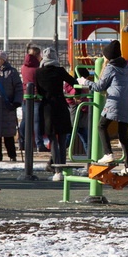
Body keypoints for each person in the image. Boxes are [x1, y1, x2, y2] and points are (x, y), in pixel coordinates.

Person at [79, 39, 128, 174]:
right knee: (123, 136)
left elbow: (99, 86)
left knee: (101, 126)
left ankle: (108, 154)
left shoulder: (110, 67)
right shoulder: (125, 66)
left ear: (108, 56)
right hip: (127, 102)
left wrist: (84, 81)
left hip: (114, 101)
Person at [34, 47, 81, 181]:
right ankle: (62, 168)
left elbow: (38, 90)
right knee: (62, 137)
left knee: (52, 139)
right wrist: (77, 95)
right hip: (60, 104)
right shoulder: (59, 70)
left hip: (47, 106)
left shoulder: (39, 72)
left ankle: (57, 171)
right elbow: (74, 82)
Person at [0, 50, 23, 162]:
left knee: (8, 134)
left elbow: (18, 88)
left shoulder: (12, 72)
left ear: (4, 60)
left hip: (8, 107)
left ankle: (12, 155)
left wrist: (16, 102)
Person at [19, 47, 46, 153]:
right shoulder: (37, 69)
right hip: (36, 97)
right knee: (36, 121)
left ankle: (22, 142)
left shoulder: (23, 67)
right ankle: (39, 143)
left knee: (25, 120)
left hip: (25, 96)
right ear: (37, 55)